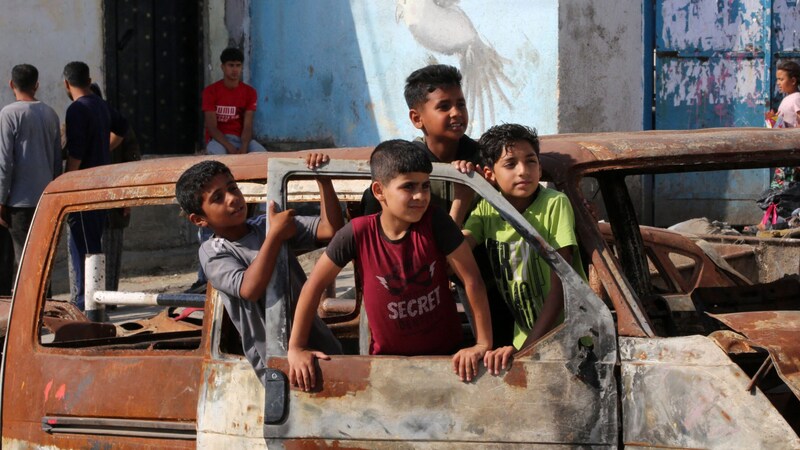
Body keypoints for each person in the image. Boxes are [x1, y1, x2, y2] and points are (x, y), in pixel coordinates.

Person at [288, 140, 494, 392]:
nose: (420, 196)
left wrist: (482, 344)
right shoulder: (357, 233)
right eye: (408, 187)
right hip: (386, 366)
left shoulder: (436, 222)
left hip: (448, 361)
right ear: (379, 191)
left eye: (425, 186)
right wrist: (296, 348)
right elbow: (313, 286)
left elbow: (472, 279)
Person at [175, 156, 342, 386]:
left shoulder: (264, 225)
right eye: (218, 198)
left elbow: (330, 230)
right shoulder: (213, 252)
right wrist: (275, 235)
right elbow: (250, 288)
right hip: (277, 362)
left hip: (319, 343)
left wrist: (322, 179)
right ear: (199, 219)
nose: (233, 199)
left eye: (232, 188)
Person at [455, 124, 586, 374]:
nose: (523, 171)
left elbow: (562, 287)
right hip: (524, 339)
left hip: (567, 341)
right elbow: (452, 253)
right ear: (489, 174)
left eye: (531, 161)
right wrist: (462, 196)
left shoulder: (554, 204)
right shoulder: (487, 210)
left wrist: (527, 350)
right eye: (510, 164)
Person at [359, 64, 480, 226]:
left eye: (461, 104)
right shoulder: (400, 164)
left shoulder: (481, 158)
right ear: (416, 118)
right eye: (444, 107)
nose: (456, 113)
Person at [62, 61, 128, 309]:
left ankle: (85, 303)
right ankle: (91, 299)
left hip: (83, 187)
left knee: (84, 247)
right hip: (100, 182)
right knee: (92, 242)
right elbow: (122, 127)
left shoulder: (77, 110)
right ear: (89, 81)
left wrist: (68, 180)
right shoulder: (100, 105)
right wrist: (104, 148)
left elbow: (76, 151)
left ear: (66, 84)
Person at [0, 64, 61, 294]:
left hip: (18, 202)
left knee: (22, 259)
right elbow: (57, 161)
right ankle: (47, 307)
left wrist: (1, 199)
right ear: (37, 85)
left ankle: (24, 312)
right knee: (43, 256)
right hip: (45, 198)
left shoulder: (9, 114)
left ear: (11, 84)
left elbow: (4, 162)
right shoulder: (50, 114)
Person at [88, 83, 142, 291]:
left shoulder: (120, 128)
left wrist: (127, 198)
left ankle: (108, 298)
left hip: (115, 202)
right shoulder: (77, 125)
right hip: (89, 202)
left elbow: (132, 162)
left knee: (111, 251)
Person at [202, 47, 266, 155]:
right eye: (231, 65)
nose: (235, 70)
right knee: (219, 159)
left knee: (263, 156)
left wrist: (244, 146)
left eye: (238, 65)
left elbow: (248, 126)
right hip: (219, 141)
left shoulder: (250, 92)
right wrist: (229, 147)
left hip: (241, 140)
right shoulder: (210, 91)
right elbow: (212, 127)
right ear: (222, 67)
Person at [767, 60, 800, 188]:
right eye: (777, 79)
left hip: (793, 155)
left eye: (781, 79)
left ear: (793, 81)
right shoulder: (788, 99)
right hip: (787, 154)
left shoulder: (797, 98)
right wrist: (774, 120)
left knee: (785, 194)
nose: (778, 83)